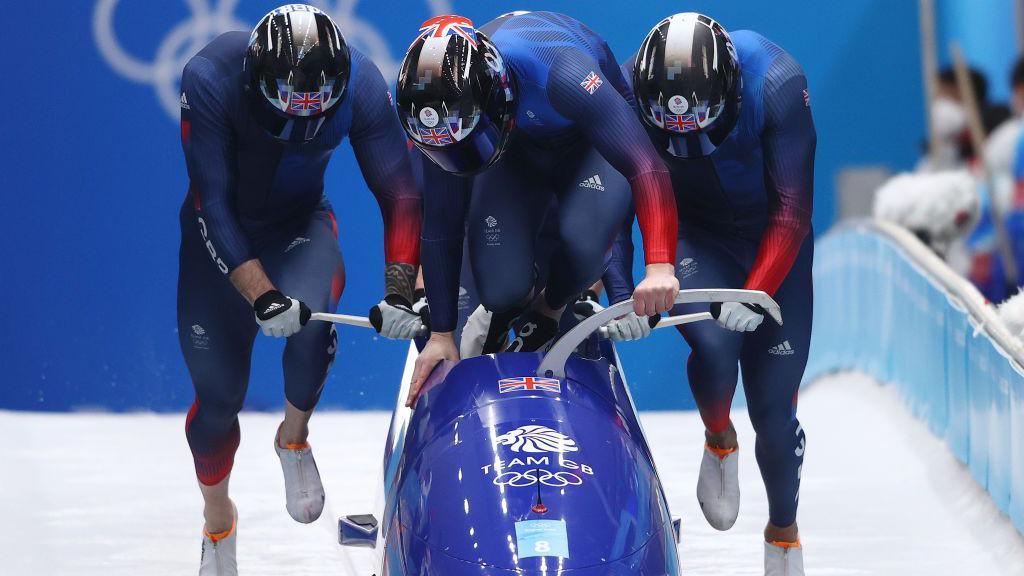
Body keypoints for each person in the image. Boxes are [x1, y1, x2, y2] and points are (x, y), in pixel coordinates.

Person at [177, 5, 422, 573]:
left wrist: (401, 290)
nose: (302, 117)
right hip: (221, 239)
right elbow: (212, 203)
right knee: (218, 401)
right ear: (257, 82)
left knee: (312, 327)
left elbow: (402, 194)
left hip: (298, 227)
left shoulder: (360, 83)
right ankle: (219, 523)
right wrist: (261, 294)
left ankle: (293, 437)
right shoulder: (210, 76)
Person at [596, 13, 816, 575]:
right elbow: (620, 197)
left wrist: (760, 288)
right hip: (698, 238)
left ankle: (783, 532)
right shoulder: (627, 90)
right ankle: (719, 435)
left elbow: (791, 210)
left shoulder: (776, 81)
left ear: (731, 90)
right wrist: (623, 289)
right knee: (716, 353)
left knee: (773, 413)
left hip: (774, 239)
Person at [395, 12, 681, 403]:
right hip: (516, 152)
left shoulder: (562, 73)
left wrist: (659, 267)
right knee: (500, 290)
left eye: (465, 140)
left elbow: (646, 167)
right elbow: (442, 226)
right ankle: (518, 308)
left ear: (497, 95)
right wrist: (441, 336)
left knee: (583, 243)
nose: (456, 153)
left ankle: (550, 308)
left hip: (591, 146)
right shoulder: (440, 119)